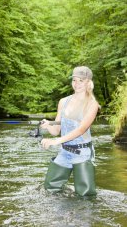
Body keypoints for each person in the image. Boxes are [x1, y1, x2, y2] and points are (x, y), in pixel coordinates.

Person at [40, 66, 100, 196]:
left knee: (86, 196)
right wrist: (48, 126)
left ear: (88, 82)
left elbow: (80, 130)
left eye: (81, 80)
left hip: (82, 153)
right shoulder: (63, 102)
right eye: (74, 80)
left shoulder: (92, 104)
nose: (77, 84)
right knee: (50, 190)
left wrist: (55, 142)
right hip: (65, 151)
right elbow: (56, 131)